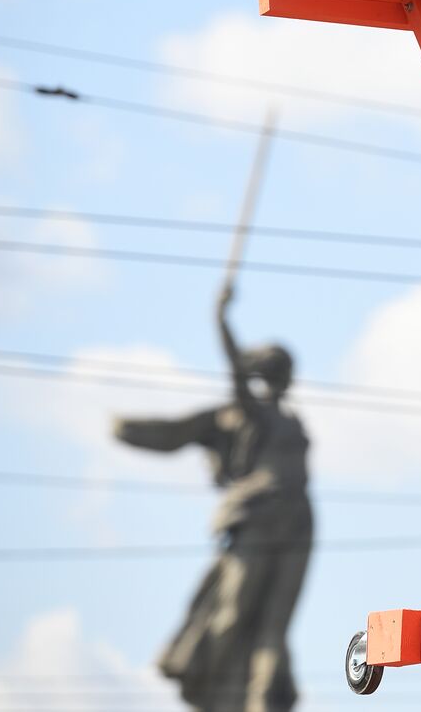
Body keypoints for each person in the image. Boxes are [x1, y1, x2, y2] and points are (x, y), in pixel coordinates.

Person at [114, 283, 311, 712]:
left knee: (273, 625)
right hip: (259, 516)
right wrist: (221, 319)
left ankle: (260, 702)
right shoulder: (254, 414)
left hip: (297, 521)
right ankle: (215, 693)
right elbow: (236, 376)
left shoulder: (291, 421)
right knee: (234, 614)